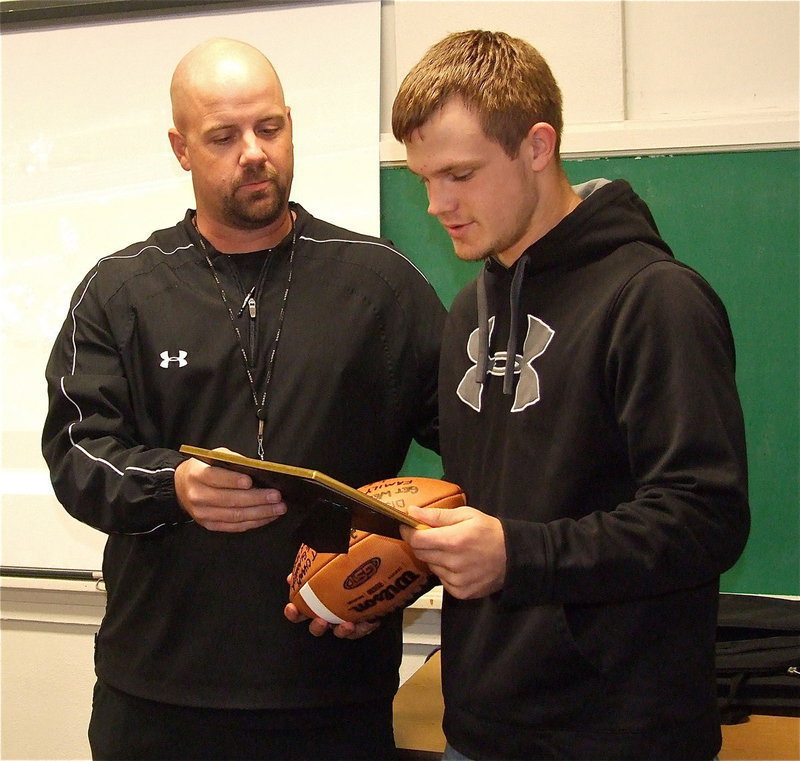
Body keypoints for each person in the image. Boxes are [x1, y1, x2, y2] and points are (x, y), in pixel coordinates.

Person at [42, 37, 445, 761]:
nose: (254, 153)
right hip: (159, 698)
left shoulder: (382, 284)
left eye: (269, 127)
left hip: (333, 693)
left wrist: (396, 576)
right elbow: (75, 454)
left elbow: (482, 453)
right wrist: (173, 485)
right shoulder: (121, 291)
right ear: (181, 148)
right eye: (223, 136)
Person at [392, 30, 750, 761]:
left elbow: (705, 518)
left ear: (537, 146)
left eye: (459, 174)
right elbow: (496, 505)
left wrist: (517, 555)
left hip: (620, 736)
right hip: (479, 729)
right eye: (423, 178)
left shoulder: (655, 300)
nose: (437, 203)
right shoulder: (467, 313)